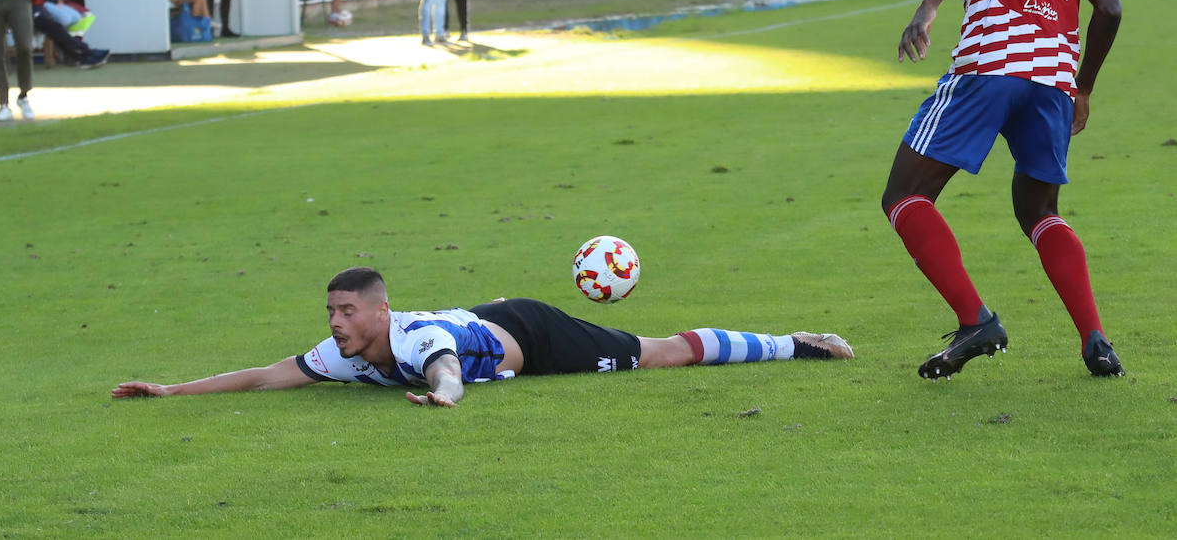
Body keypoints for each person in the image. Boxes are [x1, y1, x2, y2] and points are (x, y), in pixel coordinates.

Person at [881, 0, 1125, 381]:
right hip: (1054, 80)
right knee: (1039, 210)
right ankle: (1096, 339)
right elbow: (1111, 8)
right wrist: (1083, 89)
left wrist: (930, 3)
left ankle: (976, 320)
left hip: (990, 66)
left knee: (904, 196)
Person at [113, 266, 853, 406]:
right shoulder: (341, 355)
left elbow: (443, 365)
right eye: (331, 311)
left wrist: (447, 396)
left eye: (346, 311)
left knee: (657, 354)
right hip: (483, 323)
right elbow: (266, 374)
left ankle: (794, 342)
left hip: (532, 331)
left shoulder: (413, 339)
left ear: (380, 310)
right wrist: (174, 388)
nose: (334, 322)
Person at [28, 0, 108, 69]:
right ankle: (83, 54)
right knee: (55, 25)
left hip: (38, 3)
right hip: (27, 5)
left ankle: (83, 54)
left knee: (58, 26)